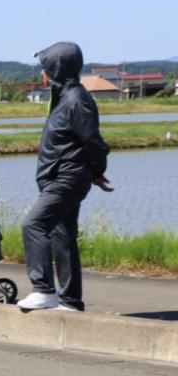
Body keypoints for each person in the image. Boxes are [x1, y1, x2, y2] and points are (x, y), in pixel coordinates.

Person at [18, 41, 113, 312]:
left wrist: (96, 172)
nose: (42, 73)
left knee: (33, 225)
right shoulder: (63, 96)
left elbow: (94, 142)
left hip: (66, 178)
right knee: (63, 237)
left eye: (45, 67)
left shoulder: (76, 100)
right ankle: (70, 301)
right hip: (58, 177)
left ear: (57, 68)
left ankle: (43, 290)